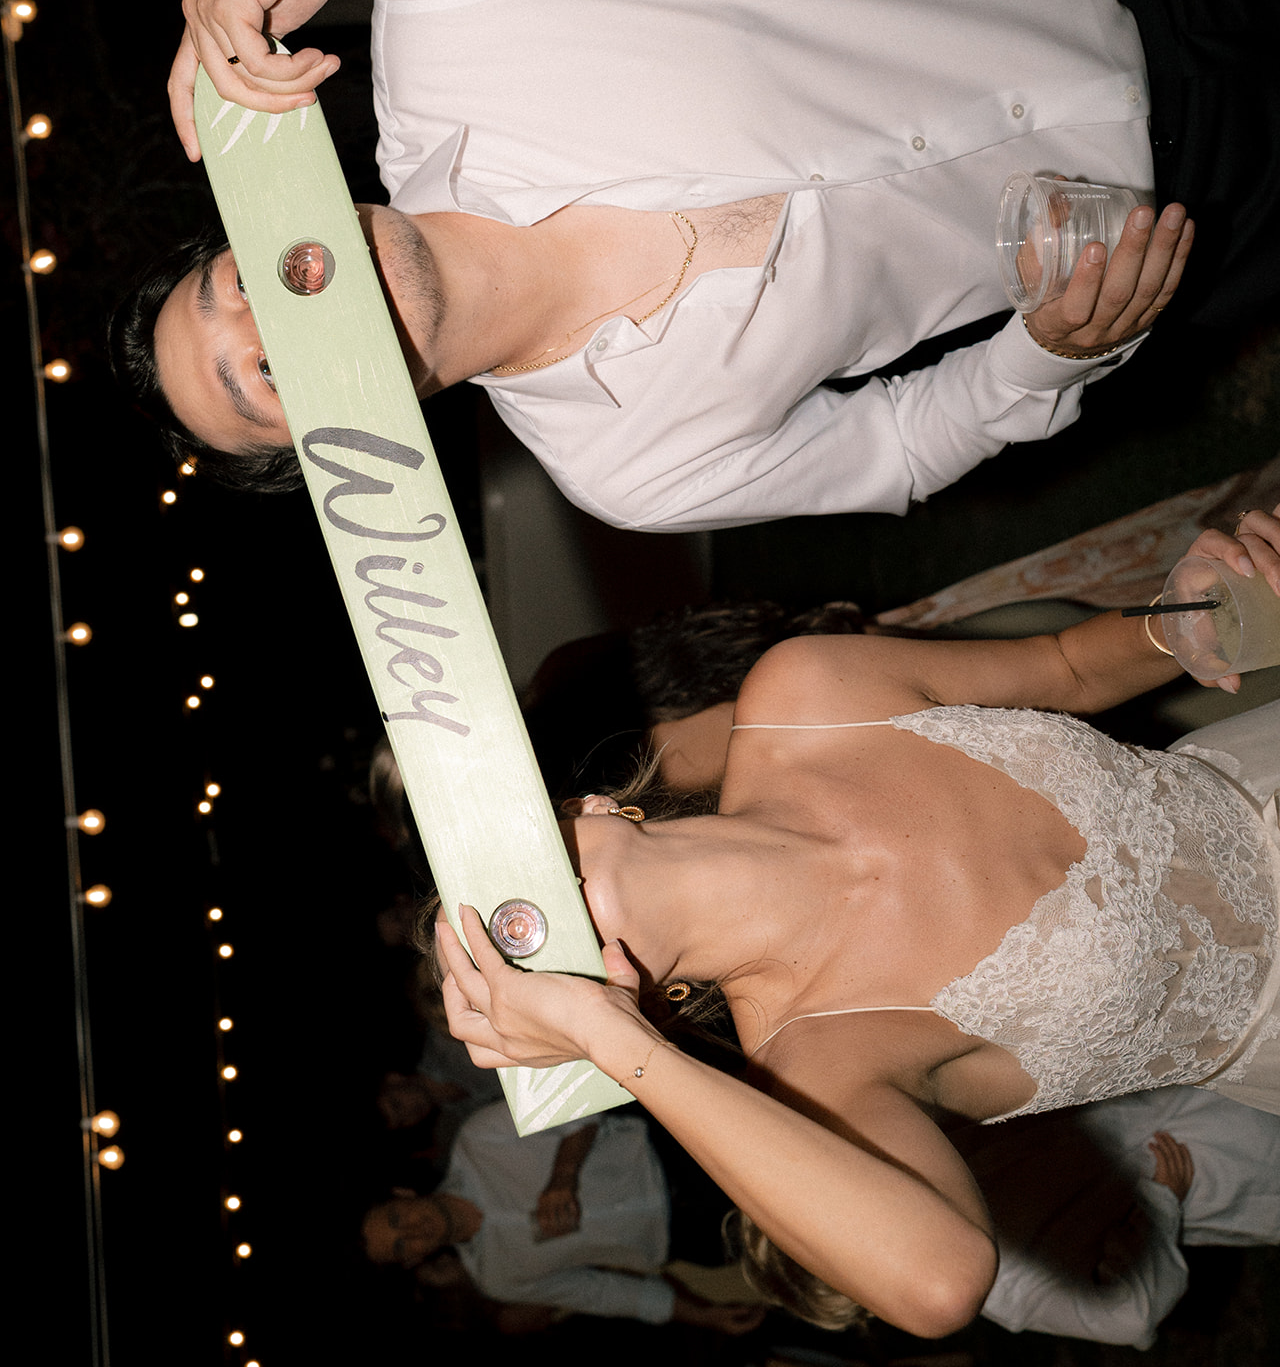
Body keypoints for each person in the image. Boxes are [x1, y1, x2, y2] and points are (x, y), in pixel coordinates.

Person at [116, 0, 1240, 525]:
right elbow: (897, 447)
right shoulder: (627, 473)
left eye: (234, 283)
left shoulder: (449, 11)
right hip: (1194, 210)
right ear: (351, 447)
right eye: (262, 374)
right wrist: (1045, 352)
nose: (277, 314)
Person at [433, 506, 1280, 1337]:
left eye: (502, 897)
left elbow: (1069, 668)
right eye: (515, 960)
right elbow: (941, 1281)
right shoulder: (819, 1068)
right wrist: (611, 1040)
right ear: (635, 993)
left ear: (588, 807)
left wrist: (1191, 618)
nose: (526, 926)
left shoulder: (803, 692)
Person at [361, 1100, 763, 1334]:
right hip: (693, 1238)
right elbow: (601, 1293)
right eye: (402, 1245)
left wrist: (563, 1175)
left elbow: (576, 1103)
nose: (413, 1230)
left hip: (682, 1152)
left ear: (402, 1194)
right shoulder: (497, 1277)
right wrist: (704, 1315)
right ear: (412, 1260)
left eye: (396, 1218)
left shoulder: (477, 1139)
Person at [963, 1085, 1280, 1348]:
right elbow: (1129, 1318)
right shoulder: (984, 1273)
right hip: (1206, 1159)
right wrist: (1161, 1202)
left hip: (1180, 1075)